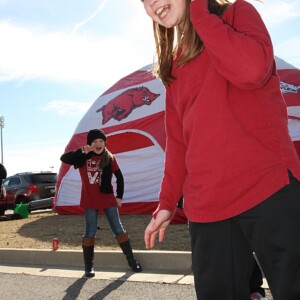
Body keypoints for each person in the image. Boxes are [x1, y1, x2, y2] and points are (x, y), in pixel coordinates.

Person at [141, 0, 300, 299]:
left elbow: (252, 71)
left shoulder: (237, 13)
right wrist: (166, 202)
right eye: (143, 0)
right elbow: (177, 142)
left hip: (269, 188)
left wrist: (200, 12)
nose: (151, 2)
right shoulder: (174, 65)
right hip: (207, 209)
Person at [60, 129, 142, 277]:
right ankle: (89, 266)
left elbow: (120, 177)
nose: (98, 144)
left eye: (101, 141)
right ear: (90, 144)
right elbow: (64, 158)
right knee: (90, 231)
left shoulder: (110, 158)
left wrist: (119, 197)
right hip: (89, 200)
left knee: (118, 229)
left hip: (108, 199)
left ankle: (131, 260)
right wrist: (82, 151)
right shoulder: (83, 158)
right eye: (95, 141)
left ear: (105, 143)